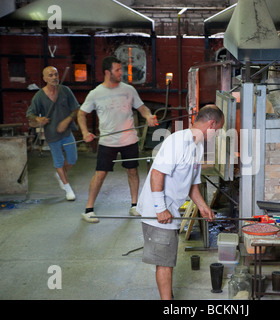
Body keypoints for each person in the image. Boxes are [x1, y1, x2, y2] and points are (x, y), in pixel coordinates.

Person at [137, 104, 224, 300]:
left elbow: (192, 183)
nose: (217, 134)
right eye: (218, 130)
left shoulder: (198, 146)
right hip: (158, 211)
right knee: (165, 263)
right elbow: (157, 174)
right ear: (211, 124)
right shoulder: (177, 142)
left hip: (171, 210)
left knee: (167, 259)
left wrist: (203, 207)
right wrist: (160, 208)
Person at [78, 56, 158, 223]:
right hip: (108, 142)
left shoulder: (129, 90)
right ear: (107, 72)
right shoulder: (96, 93)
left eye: (121, 69)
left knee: (133, 171)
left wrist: (149, 116)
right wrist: (85, 132)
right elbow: (81, 113)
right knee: (100, 174)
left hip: (129, 139)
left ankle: (135, 205)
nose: (121, 73)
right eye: (117, 70)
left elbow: (142, 108)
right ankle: (89, 209)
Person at [26, 66, 79, 201]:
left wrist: (66, 120)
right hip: (52, 134)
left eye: (56, 74)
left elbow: (76, 109)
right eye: (50, 75)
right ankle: (68, 189)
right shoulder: (39, 96)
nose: (54, 77)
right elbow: (30, 115)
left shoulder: (65, 90)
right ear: (44, 78)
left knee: (72, 159)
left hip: (67, 132)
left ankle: (61, 175)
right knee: (58, 162)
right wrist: (38, 119)